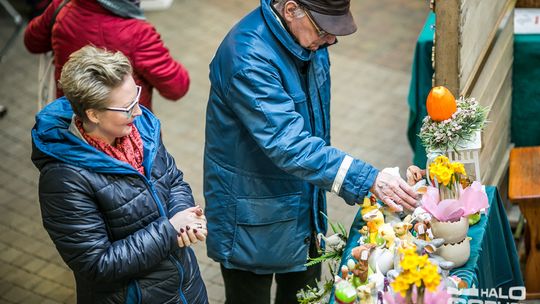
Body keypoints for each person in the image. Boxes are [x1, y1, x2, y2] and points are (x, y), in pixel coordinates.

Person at [203, 0, 420, 303]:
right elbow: (288, 143)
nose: (331, 39)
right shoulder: (247, 57)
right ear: (291, 10)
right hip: (252, 213)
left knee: (304, 296)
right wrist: (364, 177)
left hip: (303, 203)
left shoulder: (310, 42)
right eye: (324, 29)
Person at [31, 46, 208, 303]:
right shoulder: (63, 179)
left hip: (186, 287)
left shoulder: (142, 128)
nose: (138, 111)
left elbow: (173, 179)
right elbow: (97, 264)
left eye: (136, 95)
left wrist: (185, 218)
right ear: (93, 114)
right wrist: (170, 230)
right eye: (127, 107)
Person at [24, 0, 189, 111]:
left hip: (71, 123)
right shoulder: (138, 33)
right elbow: (177, 87)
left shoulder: (63, 6)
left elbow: (32, 42)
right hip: (123, 136)